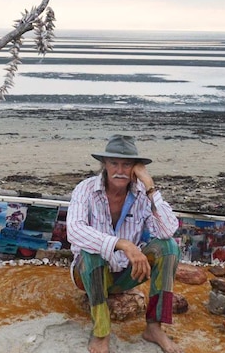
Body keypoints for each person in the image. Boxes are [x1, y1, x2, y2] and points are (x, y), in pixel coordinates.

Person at [67, 135, 184, 353]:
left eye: (127, 164)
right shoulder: (85, 189)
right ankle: (101, 331)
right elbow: (74, 231)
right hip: (87, 274)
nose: (120, 170)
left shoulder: (141, 194)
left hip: (126, 275)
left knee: (169, 248)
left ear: (136, 168)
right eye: (114, 163)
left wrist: (150, 186)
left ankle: (154, 327)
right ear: (104, 165)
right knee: (91, 251)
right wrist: (123, 244)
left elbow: (167, 230)